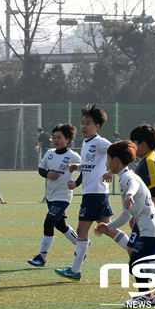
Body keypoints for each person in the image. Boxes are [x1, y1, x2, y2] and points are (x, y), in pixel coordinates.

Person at [95, 141, 155, 309]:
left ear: (116, 160)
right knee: (147, 268)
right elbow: (125, 215)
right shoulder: (128, 176)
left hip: (149, 229)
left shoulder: (127, 178)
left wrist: (130, 194)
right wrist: (108, 227)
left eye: (108, 159)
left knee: (138, 266)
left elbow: (134, 185)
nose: (107, 163)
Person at [55, 104, 130, 281]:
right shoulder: (87, 143)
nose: (83, 126)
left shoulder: (99, 142)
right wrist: (78, 167)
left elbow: (120, 152)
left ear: (97, 127)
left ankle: (75, 270)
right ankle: (136, 251)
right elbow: (92, 165)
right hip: (96, 193)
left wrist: (113, 171)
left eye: (88, 123)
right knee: (108, 228)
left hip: (94, 194)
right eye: (82, 122)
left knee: (82, 231)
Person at [128, 124, 155, 304]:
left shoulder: (150, 162)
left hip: (154, 215)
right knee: (146, 256)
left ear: (143, 144)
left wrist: (149, 215)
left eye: (134, 143)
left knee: (138, 255)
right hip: (150, 214)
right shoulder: (146, 159)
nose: (132, 146)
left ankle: (144, 295)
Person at [28, 124, 81, 267]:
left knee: (49, 222)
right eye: (54, 137)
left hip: (63, 197)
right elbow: (40, 169)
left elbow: (86, 170)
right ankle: (81, 245)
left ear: (68, 140)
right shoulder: (49, 153)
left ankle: (41, 257)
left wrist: (76, 183)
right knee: (60, 225)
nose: (56, 140)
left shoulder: (73, 156)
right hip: (50, 196)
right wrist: (47, 174)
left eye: (60, 137)